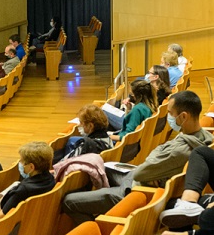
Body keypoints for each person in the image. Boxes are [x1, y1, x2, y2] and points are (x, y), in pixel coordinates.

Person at [66, 91, 210, 222]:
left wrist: (155, 156)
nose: (169, 117)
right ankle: (105, 204)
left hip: (136, 190)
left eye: (170, 113)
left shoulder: (179, 150)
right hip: (144, 177)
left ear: (183, 116)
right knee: (102, 167)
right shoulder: (205, 137)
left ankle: (97, 231)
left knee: (69, 201)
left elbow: (141, 173)